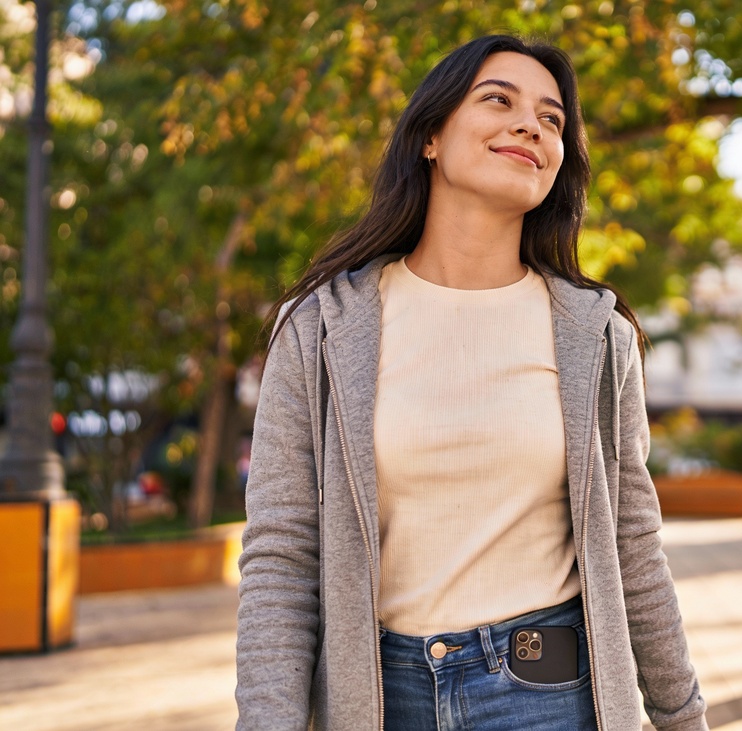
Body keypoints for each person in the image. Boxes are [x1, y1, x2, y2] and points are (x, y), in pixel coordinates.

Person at [234, 34, 709, 731]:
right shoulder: (321, 327)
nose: (531, 125)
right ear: (430, 135)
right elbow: (280, 553)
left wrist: (682, 716)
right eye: (500, 100)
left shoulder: (596, 336)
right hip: (375, 699)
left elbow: (634, 546)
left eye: (552, 119)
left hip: (550, 692)